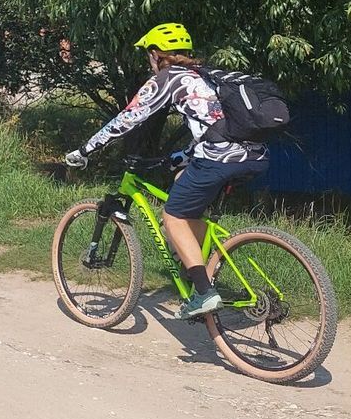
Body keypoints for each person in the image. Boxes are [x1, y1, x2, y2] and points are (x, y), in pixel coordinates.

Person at [64, 22, 269, 319]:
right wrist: (177, 158)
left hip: (219, 158)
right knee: (182, 181)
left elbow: (127, 119)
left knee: (172, 215)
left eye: (149, 55)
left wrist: (85, 150)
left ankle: (203, 293)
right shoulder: (206, 75)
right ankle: (196, 269)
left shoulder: (168, 78)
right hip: (255, 155)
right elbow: (214, 127)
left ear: (156, 54)